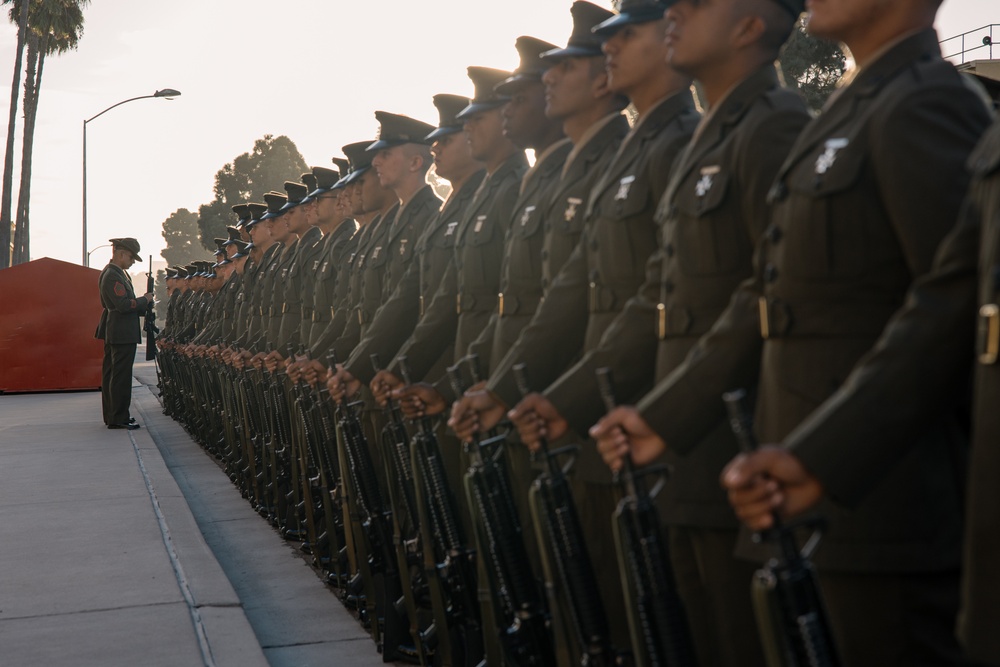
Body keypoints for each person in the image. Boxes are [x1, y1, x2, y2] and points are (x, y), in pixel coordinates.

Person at [591, 0, 992, 662]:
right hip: (805, 485)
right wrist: (666, 414)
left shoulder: (925, 103)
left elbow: (949, 315)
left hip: (881, 505)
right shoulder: (845, 109)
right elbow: (768, 291)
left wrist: (823, 455)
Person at [95, 237, 152, 430]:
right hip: (121, 330)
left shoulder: (118, 273)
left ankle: (114, 415)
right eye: (131, 257)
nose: (133, 261)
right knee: (120, 376)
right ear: (121, 254)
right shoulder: (113, 275)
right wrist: (144, 300)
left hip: (119, 329)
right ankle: (118, 416)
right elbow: (123, 304)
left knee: (114, 374)